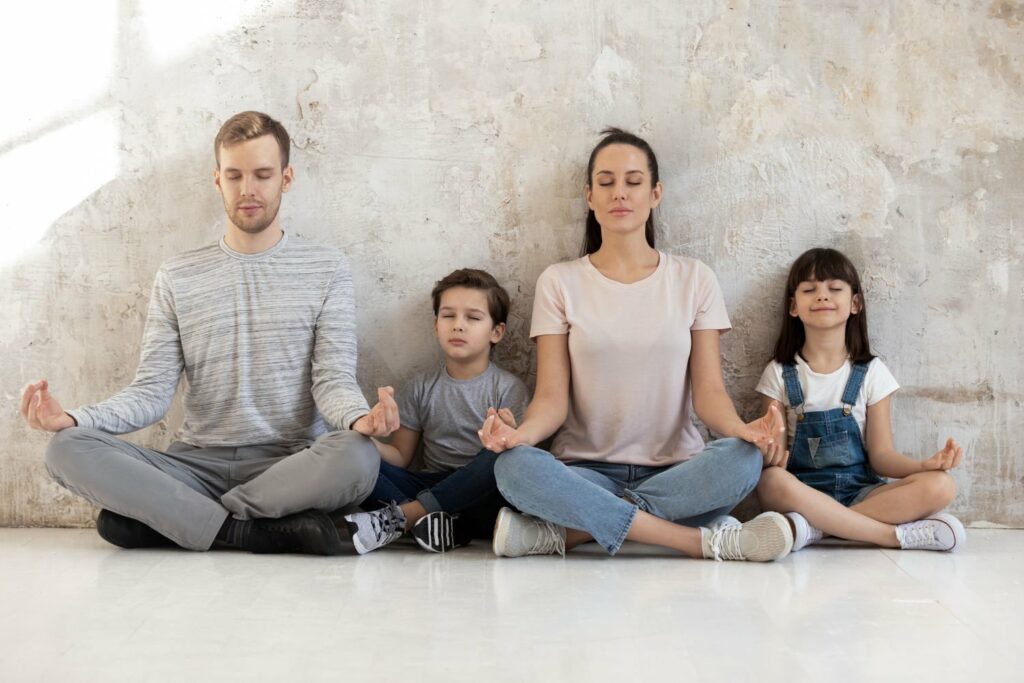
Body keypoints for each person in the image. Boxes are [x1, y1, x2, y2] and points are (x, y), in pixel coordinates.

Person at [20, 111, 398, 555]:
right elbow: (150, 394)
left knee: (359, 455)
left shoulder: (327, 268)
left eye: (262, 174)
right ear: (218, 180)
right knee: (66, 450)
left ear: (286, 178)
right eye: (235, 175)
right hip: (193, 465)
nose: (248, 189)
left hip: (289, 466)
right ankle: (248, 530)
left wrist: (359, 418)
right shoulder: (178, 275)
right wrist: (75, 419)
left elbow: (331, 379)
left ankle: (187, 521)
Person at [478, 128, 793, 562]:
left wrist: (744, 431)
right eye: (606, 183)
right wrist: (518, 436)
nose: (619, 194)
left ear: (655, 192)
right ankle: (697, 541)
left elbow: (709, 394)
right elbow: (551, 400)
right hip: (586, 475)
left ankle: (569, 535)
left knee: (741, 460)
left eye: (633, 181)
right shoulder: (560, 282)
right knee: (513, 467)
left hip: (679, 475)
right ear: (590, 196)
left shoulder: (694, 278)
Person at [754, 247, 966, 552]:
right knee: (770, 481)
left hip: (861, 494)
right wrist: (769, 451)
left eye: (835, 288)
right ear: (793, 307)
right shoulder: (779, 373)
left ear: (855, 303)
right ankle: (886, 535)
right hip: (801, 494)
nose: (823, 296)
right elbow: (776, 455)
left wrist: (923, 465)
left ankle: (816, 531)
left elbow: (881, 456)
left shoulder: (872, 372)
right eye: (810, 289)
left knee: (941, 485)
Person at [344, 268, 529, 554]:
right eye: (448, 316)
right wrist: (363, 437)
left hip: (483, 490)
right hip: (428, 484)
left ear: (497, 332)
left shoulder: (507, 388)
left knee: (501, 459)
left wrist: (507, 439)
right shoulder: (420, 387)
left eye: (473, 318)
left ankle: (407, 518)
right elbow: (401, 458)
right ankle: (445, 525)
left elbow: (517, 463)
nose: (458, 325)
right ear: (435, 326)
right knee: (355, 460)